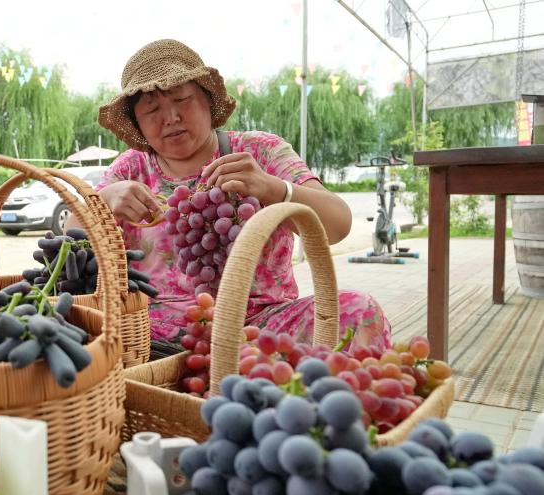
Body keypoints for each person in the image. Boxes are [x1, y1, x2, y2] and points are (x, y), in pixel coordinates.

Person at [95, 39, 390, 352]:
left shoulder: (259, 151)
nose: (171, 117)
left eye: (182, 99)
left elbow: (337, 225)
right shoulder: (129, 169)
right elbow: (72, 239)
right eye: (152, 109)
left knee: (359, 312)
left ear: (208, 100)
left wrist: (273, 188)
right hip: (153, 337)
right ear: (137, 123)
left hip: (261, 325)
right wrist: (104, 202)